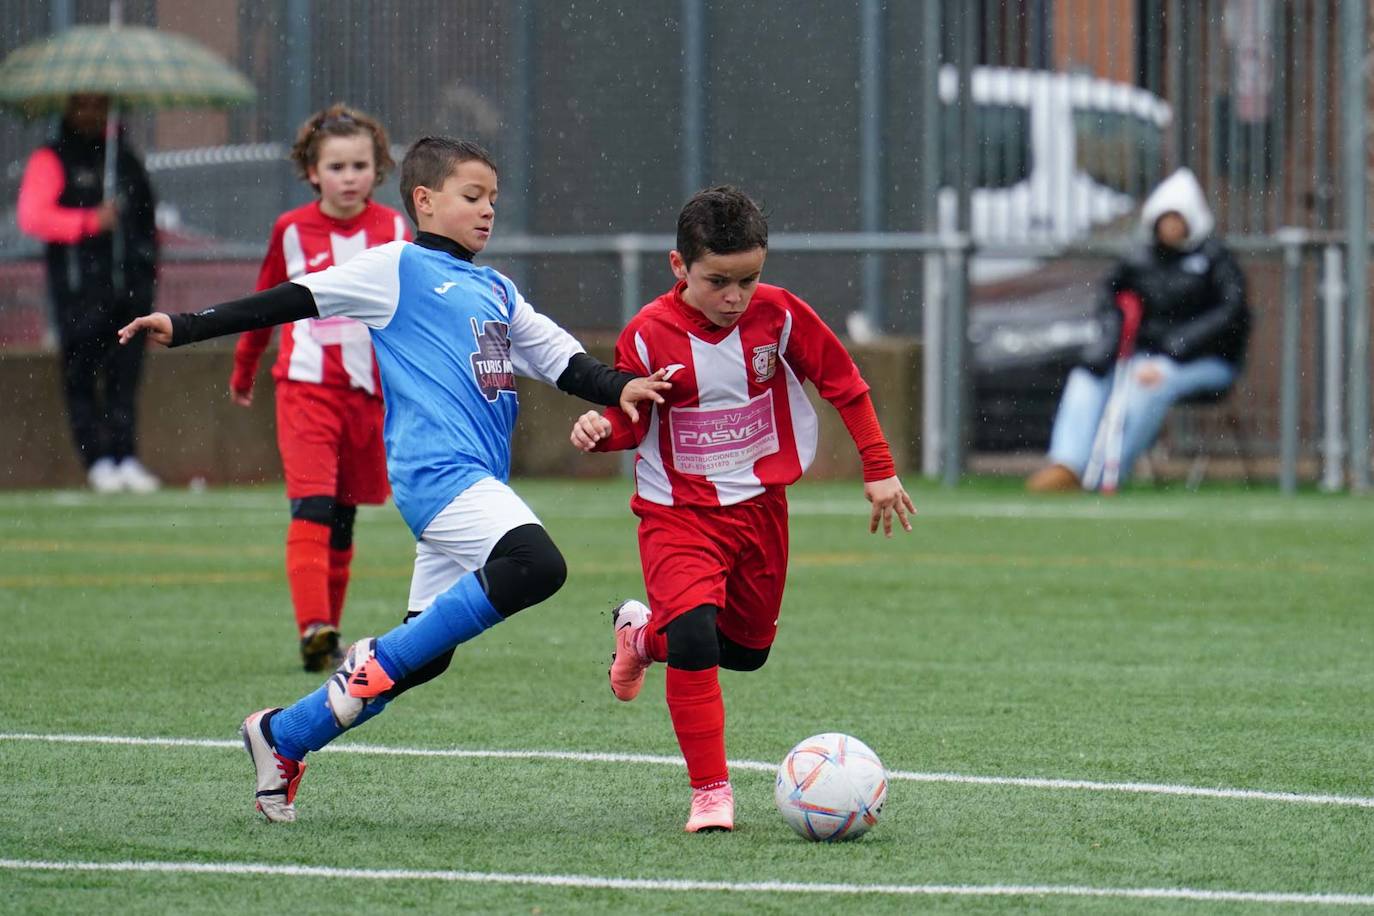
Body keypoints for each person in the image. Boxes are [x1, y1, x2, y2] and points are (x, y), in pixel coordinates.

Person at [118, 137, 670, 823]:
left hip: (472, 482)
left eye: (494, 199)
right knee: (537, 564)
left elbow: (564, 361)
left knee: (426, 654)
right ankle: (369, 659)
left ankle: (281, 737)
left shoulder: (496, 288)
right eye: (473, 197)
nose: (487, 210)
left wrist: (623, 387)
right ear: (424, 201)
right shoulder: (395, 267)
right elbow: (292, 299)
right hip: (439, 474)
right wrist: (187, 324)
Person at [568, 186, 917, 833]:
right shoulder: (647, 334)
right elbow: (631, 421)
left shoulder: (780, 316)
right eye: (718, 281)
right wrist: (601, 431)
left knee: (745, 651)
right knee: (698, 637)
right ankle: (710, 793)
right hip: (677, 512)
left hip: (759, 511)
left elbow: (845, 382)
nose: (735, 297)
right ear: (680, 268)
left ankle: (640, 637)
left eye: (748, 280)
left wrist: (879, 468)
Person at [229, 104, 410, 672]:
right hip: (305, 388)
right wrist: (245, 366)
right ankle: (313, 623)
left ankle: (325, 640)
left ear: (377, 169)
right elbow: (264, 301)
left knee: (344, 514)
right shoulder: (290, 230)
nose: (348, 176)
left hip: (371, 395)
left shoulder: (396, 230)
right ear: (312, 172)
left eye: (360, 164)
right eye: (336, 166)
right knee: (311, 503)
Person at [1026, 168, 1251, 492]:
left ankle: (1109, 471)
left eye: (1178, 219)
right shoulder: (1139, 261)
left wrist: (1179, 346)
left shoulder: (1217, 261)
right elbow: (1112, 302)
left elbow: (1230, 313)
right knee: (1087, 378)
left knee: (1148, 382)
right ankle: (1068, 465)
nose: (1171, 227)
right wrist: (1107, 346)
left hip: (1202, 361)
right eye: (1165, 219)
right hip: (1141, 356)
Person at [17, 93, 161, 493]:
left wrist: (143, 273)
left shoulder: (125, 160)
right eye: (83, 105)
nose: (92, 114)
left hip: (129, 291)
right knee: (81, 377)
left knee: (124, 377)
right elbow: (34, 217)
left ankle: (125, 455)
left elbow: (146, 223)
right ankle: (97, 460)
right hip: (79, 293)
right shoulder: (51, 159)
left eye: (100, 105)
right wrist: (89, 221)